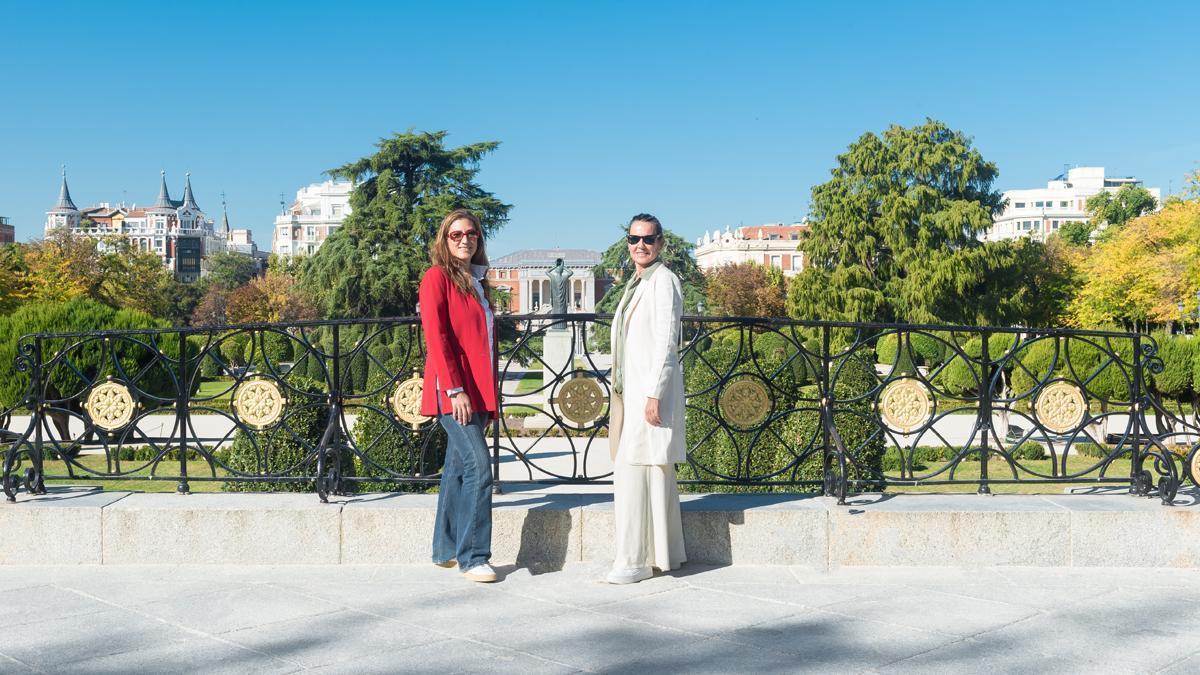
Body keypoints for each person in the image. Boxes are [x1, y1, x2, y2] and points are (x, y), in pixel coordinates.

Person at [606, 213, 687, 584]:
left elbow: (667, 341)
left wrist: (655, 393)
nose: (640, 245)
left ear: (661, 243)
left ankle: (632, 561)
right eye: (634, 238)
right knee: (648, 473)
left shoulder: (664, 281)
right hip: (631, 391)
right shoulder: (638, 283)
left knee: (634, 473)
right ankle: (665, 554)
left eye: (648, 239)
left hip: (648, 393)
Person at [419, 208, 498, 583]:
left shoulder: (477, 282)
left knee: (455, 471)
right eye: (456, 234)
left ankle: (445, 549)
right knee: (479, 467)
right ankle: (474, 556)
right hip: (455, 391)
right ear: (444, 240)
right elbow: (438, 338)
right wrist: (455, 390)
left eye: (472, 233)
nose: (465, 239)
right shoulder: (436, 278)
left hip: (477, 390)